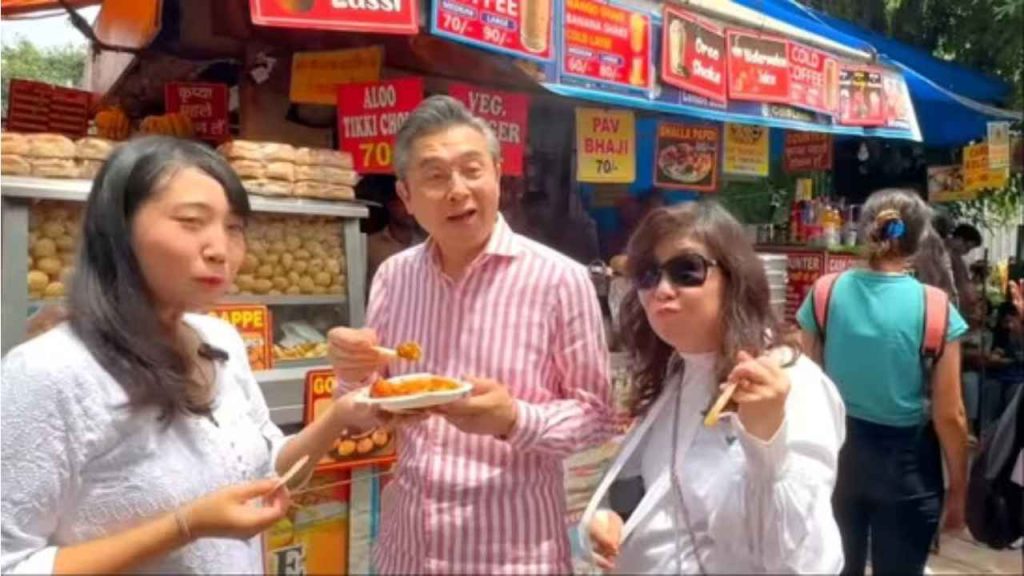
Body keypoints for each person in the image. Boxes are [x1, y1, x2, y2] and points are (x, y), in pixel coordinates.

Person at [1, 137, 367, 574]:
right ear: (119, 229)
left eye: (233, 228)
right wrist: (184, 526)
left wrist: (341, 417)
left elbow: (267, 471)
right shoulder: (48, 373)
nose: (220, 249)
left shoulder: (222, 342)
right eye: (192, 221)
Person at [326, 96, 615, 573]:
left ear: (498, 176)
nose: (457, 190)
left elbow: (599, 416)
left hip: (512, 553)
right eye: (435, 176)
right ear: (406, 195)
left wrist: (514, 419)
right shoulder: (393, 277)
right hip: (408, 550)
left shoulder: (559, 279)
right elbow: (368, 409)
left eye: (471, 170)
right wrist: (353, 376)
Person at [583, 201, 846, 573]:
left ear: (734, 278)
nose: (662, 290)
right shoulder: (676, 370)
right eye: (647, 274)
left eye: (686, 271)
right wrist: (607, 520)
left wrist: (767, 442)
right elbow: (662, 494)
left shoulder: (790, 384)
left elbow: (799, 559)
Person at [798, 189, 970, 576]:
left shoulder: (825, 292)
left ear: (865, 231)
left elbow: (807, 387)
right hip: (907, 471)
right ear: (920, 239)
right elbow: (950, 415)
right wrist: (959, 487)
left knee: (835, 568)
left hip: (835, 459)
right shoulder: (936, 307)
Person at [360, 174, 425, 282]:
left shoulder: (429, 243)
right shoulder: (370, 245)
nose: (410, 210)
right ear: (391, 206)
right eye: (403, 203)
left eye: (414, 203)